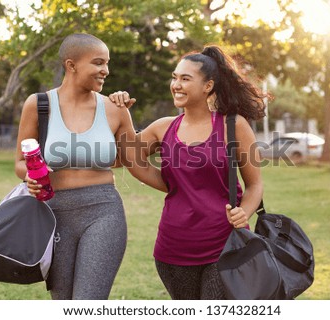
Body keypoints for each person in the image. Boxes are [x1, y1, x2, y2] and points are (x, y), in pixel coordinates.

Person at [15, 33, 166, 300]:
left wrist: (182, 182)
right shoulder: (38, 105)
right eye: (98, 63)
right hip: (53, 214)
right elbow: (20, 161)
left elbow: (133, 159)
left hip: (103, 212)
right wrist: (30, 176)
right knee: (62, 301)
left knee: (90, 302)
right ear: (71, 65)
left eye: (107, 63)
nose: (105, 70)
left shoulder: (115, 108)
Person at [110, 45, 266, 299]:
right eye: (174, 77)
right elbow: (122, 159)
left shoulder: (233, 125)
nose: (176, 85)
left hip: (225, 245)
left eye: (185, 78)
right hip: (173, 248)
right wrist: (120, 112)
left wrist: (244, 212)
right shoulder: (163, 128)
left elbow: (255, 185)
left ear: (208, 86)